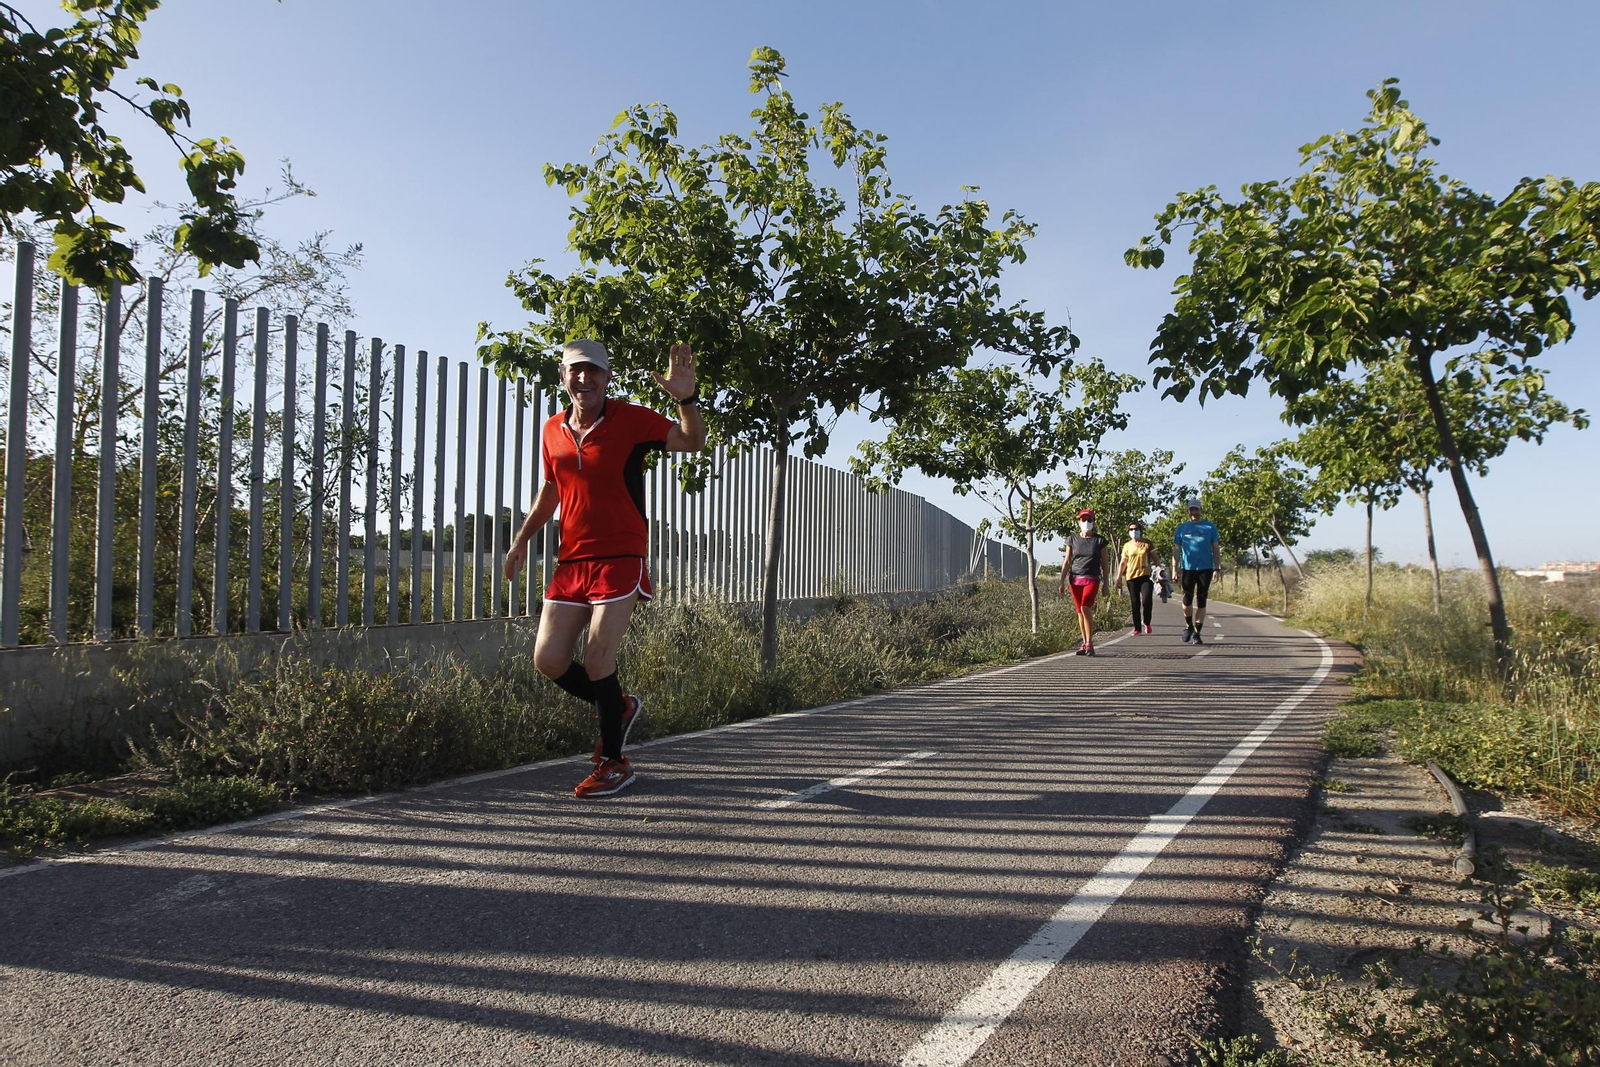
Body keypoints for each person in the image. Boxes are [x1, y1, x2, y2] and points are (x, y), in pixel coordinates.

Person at [505, 339, 706, 797]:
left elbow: (692, 441)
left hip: (620, 555)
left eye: (593, 370)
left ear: (607, 377)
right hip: (572, 559)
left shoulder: (630, 419)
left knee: (598, 657)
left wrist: (686, 400)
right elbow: (552, 488)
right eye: (576, 370)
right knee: (548, 659)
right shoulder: (552, 429)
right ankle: (617, 706)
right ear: (563, 377)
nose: (584, 378)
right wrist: (521, 539)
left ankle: (615, 762)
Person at [1057, 508, 1111, 655]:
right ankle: (1084, 642)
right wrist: (1061, 581)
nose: (1086, 522)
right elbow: (1067, 561)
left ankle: (1089, 642)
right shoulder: (1072, 539)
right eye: (1084, 519)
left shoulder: (1100, 541)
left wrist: (1106, 584)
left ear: (1094, 522)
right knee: (1080, 611)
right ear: (1079, 521)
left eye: (1089, 520)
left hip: (1092, 579)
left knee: (1086, 607)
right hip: (1075, 580)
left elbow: (1105, 564)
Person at [1172, 498, 1222, 645]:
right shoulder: (1182, 528)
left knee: (1201, 600)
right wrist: (1174, 569)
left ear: (1201, 510)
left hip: (1205, 569)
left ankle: (1197, 633)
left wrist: (1217, 568)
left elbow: (1215, 549)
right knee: (1187, 600)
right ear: (1188, 511)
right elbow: (1176, 550)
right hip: (1188, 568)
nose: (1194, 512)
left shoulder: (1210, 527)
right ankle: (1188, 626)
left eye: (1196, 509)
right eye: (1191, 509)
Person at [1115, 520, 1155, 636]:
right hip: (1131, 577)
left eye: (1136, 529)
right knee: (1135, 602)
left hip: (1145, 576)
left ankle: (1146, 622)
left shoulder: (1147, 543)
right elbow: (1123, 562)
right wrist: (1118, 578)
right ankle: (1137, 628)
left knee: (1146, 600)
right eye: (1131, 529)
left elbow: (1155, 557)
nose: (1133, 531)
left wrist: (1159, 569)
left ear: (1140, 530)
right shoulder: (1127, 546)